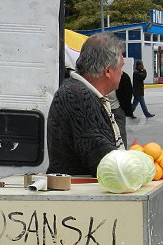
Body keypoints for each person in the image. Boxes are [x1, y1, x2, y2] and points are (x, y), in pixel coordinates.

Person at [47, 33, 125, 176]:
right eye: (120, 67)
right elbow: (102, 158)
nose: (122, 73)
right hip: (79, 192)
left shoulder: (80, 91)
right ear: (108, 70)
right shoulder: (79, 97)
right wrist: (143, 159)